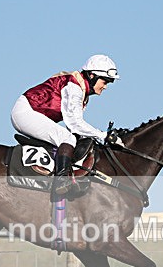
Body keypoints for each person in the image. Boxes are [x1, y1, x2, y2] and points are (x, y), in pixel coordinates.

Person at [11, 54, 121, 195]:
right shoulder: (74, 87)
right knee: (67, 138)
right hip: (25, 112)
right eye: (105, 81)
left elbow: (75, 128)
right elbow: (75, 124)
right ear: (92, 76)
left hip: (33, 113)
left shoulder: (82, 92)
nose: (105, 86)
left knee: (71, 138)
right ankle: (62, 180)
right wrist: (102, 135)